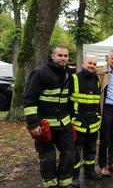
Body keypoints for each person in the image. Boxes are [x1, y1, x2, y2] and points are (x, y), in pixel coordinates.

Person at [23, 46, 75, 187]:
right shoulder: (40, 73)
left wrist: (72, 120)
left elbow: (69, 100)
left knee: (70, 152)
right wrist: (33, 124)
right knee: (48, 156)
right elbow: (29, 99)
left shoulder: (69, 74)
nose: (63, 58)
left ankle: (65, 182)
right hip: (44, 125)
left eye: (65, 55)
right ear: (52, 56)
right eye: (60, 55)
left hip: (64, 124)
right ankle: (50, 183)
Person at [69, 55, 102, 187]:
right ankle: (74, 177)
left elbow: (97, 102)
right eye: (89, 63)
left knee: (91, 150)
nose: (92, 66)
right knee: (76, 152)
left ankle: (90, 172)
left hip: (93, 123)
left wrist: (98, 117)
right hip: (78, 123)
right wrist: (71, 119)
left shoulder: (97, 79)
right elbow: (67, 100)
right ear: (83, 64)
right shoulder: (74, 78)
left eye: (94, 64)